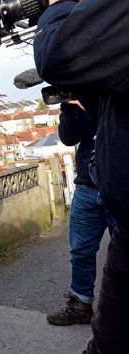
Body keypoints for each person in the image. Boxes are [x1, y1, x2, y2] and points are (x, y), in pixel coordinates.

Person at [33, 0, 129, 351]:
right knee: (82, 251)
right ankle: (79, 300)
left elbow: (56, 54)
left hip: (112, 199)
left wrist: (68, 10)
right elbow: (71, 135)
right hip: (94, 187)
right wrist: (77, 99)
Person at [47, 100, 115, 326]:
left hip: (120, 186)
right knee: (80, 251)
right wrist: (69, 108)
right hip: (87, 187)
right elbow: (68, 138)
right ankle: (80, 305)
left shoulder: (115, 88)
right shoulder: (78, 101)